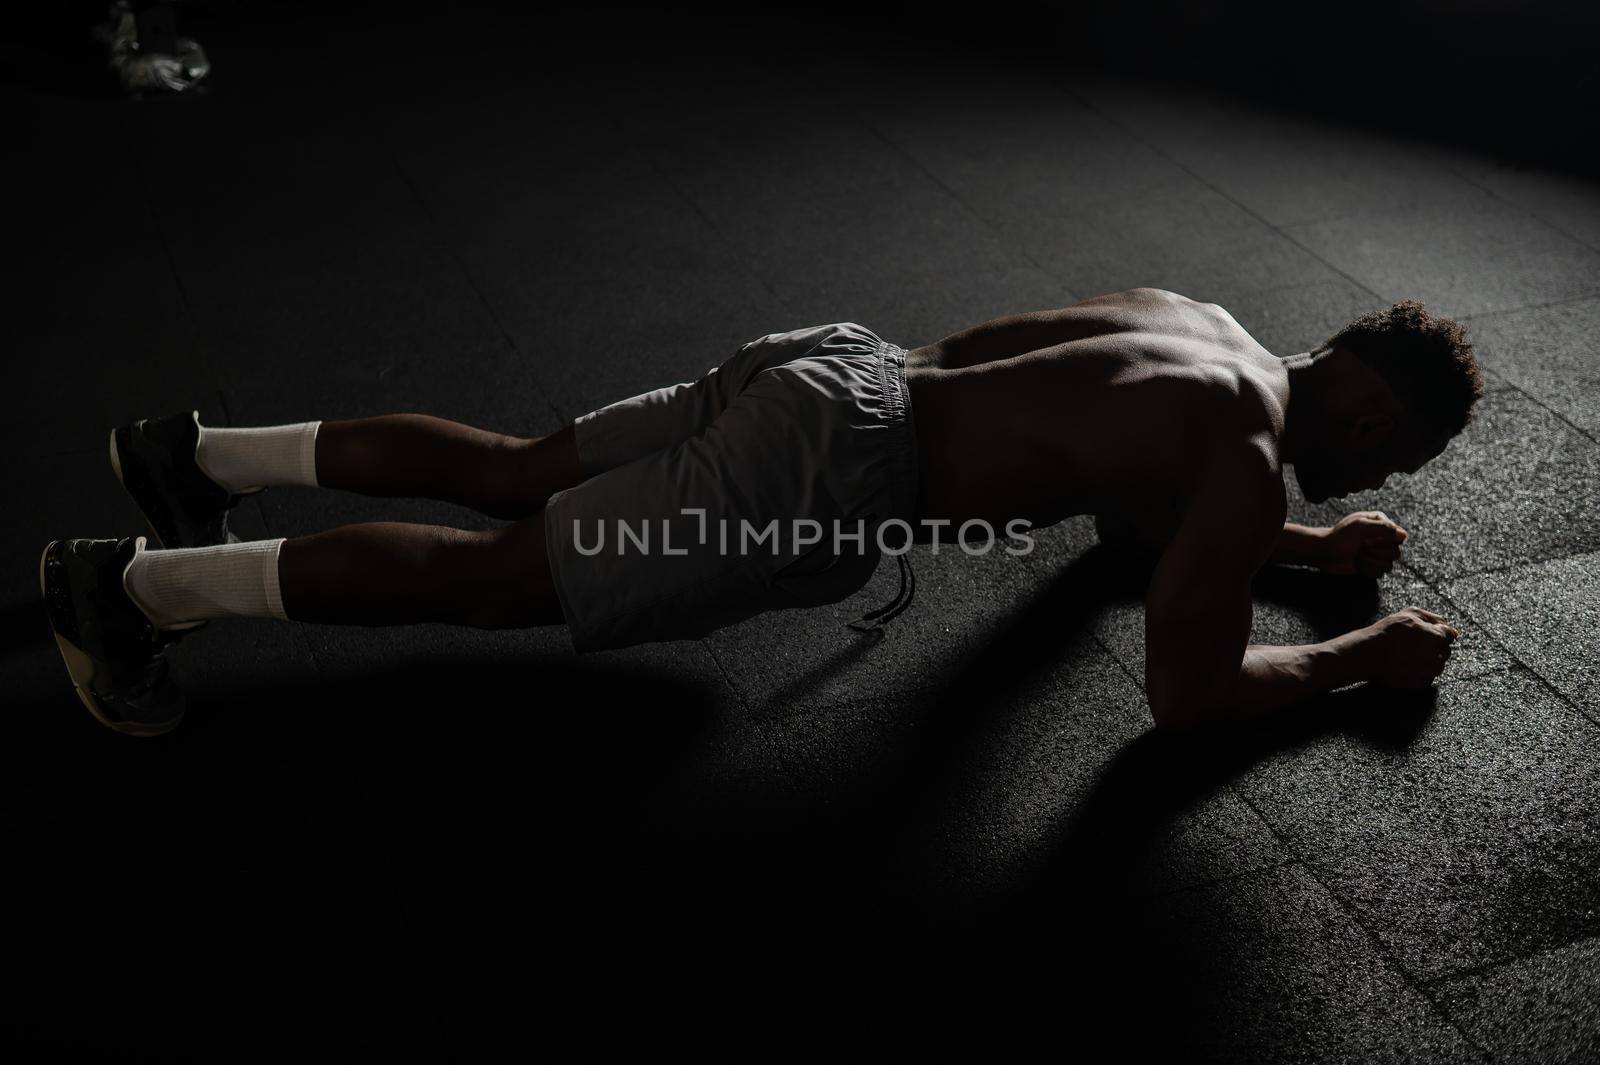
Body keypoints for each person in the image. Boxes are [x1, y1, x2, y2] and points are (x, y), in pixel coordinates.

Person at [41, 288, 1481, 737]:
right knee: (495, 575)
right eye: (1385, 462)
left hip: (840, 366)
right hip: (833, 471)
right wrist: (1360, 660)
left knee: (509, 463)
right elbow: (1187, 691)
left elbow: (1123, 513)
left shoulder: (1204, 322)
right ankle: (132, 592)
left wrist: (1296, 552)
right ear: (1368, 411)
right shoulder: (1240, 462)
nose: (1366, 480)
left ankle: (194, 454)